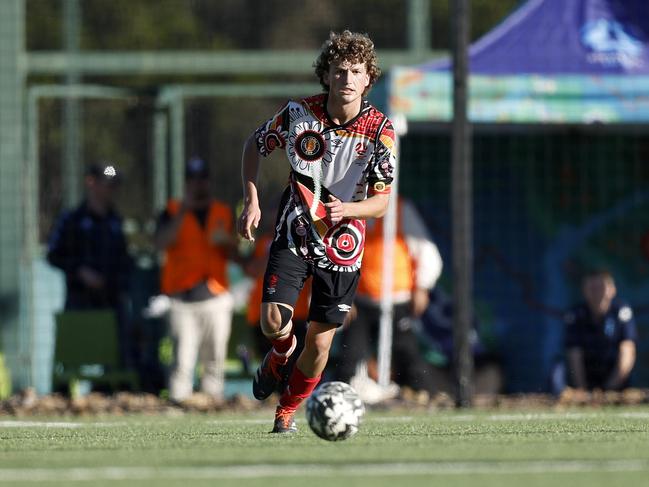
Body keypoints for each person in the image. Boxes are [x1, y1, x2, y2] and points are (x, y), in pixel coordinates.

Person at [238, 30, 396, 433]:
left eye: (355, 71)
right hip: (295, 233)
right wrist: (252, 199)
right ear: (326, 75)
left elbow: (381, 202)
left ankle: (286, 412)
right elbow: (254, 146)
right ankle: (279, 353)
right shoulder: (298, 115)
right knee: (273, 320)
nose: (346, 78)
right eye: (339, 70)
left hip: (344, 245)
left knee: (321, 343)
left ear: (367, 80)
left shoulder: (381, 132)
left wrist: (350, 208)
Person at [333, 198, 442, 399]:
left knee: (406, 351)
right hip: (361, 301)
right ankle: (339, 397)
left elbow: (426, 250)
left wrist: (422, 286)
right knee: (350, 354)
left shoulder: (401, 209)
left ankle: (426, 395)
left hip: (396, 300)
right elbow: (340, 256)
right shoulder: (349, 208)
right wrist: (344, 296)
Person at [155, 157, 236, 403]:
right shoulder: (171, 210)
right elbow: (160, 242)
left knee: (215, 360)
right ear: (186, 183)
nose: (198, 184)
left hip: (215, 295)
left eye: (202, 179)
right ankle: (179, 403)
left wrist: (227, 241)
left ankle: (212, 404)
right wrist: (183, 211)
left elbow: (237, 253)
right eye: (192, 180)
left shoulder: (223, 211)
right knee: (182, 361)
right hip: (182, 298)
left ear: (208, 182)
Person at [47, 163, 133, 365]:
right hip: (79, 301)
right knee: (71, 359)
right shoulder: (72, 220)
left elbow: (123, 260)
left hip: (110, 302)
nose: (111, 188)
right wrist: (79, 271)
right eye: (107, 182)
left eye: (114, 184)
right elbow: (54, 254)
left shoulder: (115, 221)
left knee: (115, 359)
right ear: (91, 182)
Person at [559, 270, 637, 392]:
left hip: (615, 380)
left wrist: (610, 388)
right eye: (592, 287)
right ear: (584, 290)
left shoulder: (621, 312)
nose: (597, 292)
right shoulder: (576, 315)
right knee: (557, 370)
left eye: (601, 286)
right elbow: (574, 354)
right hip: (586, 377)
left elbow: (627, 352)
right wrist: (582, 390)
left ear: (612, 289)